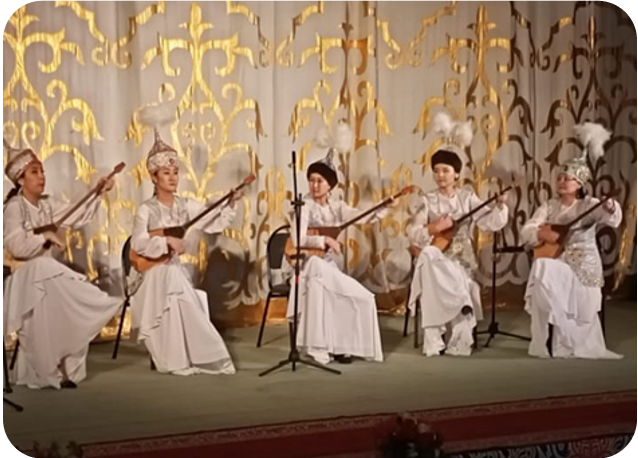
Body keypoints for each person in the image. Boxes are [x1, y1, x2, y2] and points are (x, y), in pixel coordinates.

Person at [3, 142, 121, 389]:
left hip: (45, 275)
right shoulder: (14, 208)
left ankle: (62, 364)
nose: (41, 176)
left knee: (58, 295)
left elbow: (76, 213)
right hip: (22, 276)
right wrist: (43, 236)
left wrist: (98, 192)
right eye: (34, 172)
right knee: (43, 268)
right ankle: (47, 367)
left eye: (42, 171)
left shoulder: (47, 204)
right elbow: (16, 248)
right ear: (20, 179)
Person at [129, 121, 239, 376]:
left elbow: (210, 218)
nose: (172, 177)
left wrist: (228, 203)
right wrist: (166, 242)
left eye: (175, 172)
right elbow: (137, 244)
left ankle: (198, 354)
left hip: (173, 271)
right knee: (171, 276)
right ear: (154, 177)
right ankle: (177, 357)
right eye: (166, 173)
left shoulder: (185, 205)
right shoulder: (146, 210)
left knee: (176, 277)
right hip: (148, 275)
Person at [407, 113, 508, 356]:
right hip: (436, 258)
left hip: (462, 259)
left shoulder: (467, 198)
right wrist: (433, 228)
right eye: (436, 171)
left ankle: (458, 339)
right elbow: (412, 232)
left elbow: (490, 222)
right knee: (430, 259)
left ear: (456, 174)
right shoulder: (427, 200)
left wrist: (500, 205)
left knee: (451, 276)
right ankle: (436, 338)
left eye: (446, 170)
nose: (440, 175)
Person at [521, 122, 622, 359]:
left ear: (579, 184)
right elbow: (528, 229)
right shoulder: (549, 206)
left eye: (567, 178)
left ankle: (568, 341)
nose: (561, 181)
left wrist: (610, 206)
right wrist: (540, 234)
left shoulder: (589, 204)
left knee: (542, 268)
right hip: (559, 262)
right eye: (559, 177)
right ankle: (545, 341)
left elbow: (612, 219)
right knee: (541, 268)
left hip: (584, 268)